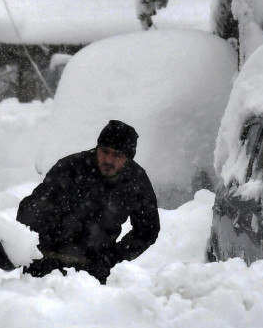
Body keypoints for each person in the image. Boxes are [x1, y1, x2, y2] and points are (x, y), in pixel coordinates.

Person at [16, 119, 160, 283]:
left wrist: (111, 258)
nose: (108, 160)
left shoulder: (136, 181)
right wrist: (30, 242)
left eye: (117, 155)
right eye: (104, 151)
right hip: (45, 264)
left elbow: (147, 230)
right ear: (97, 148)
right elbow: (29, 210)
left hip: (91, 272)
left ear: (128, 159)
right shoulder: (70, 167)